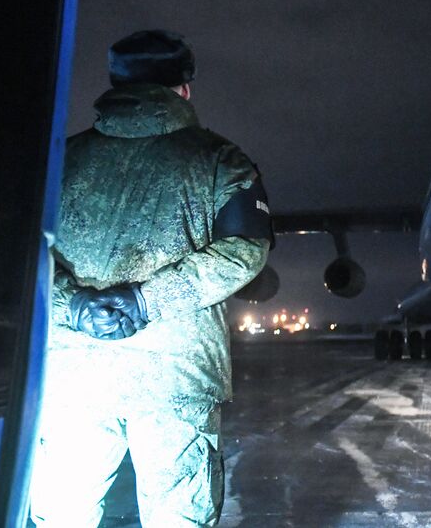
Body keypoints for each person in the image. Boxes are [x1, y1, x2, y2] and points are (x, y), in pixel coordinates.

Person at [29, 30, 273, 528]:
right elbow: (244, 251)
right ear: (183, 89)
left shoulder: (59, 160)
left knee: (62, 514)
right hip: (175, 377)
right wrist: (146, 301)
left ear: (116, 84)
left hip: (75, 375)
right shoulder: (221, 159)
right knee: (178, 517)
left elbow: (26, 253)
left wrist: (72, 305)